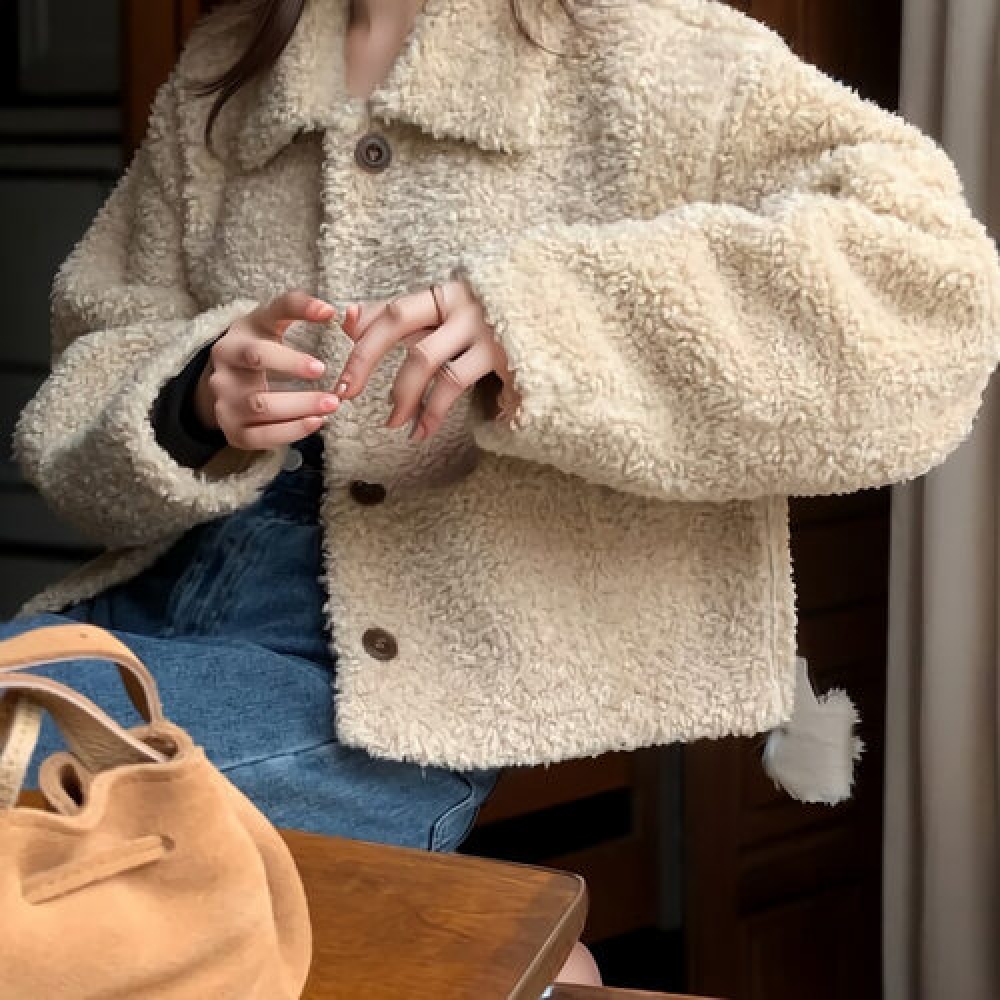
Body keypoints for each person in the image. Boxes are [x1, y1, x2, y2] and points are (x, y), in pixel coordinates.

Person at [6, 0, 1000, 988]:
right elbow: (89, 366)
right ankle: (512, 965)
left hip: (386, 685)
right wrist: (191, 396)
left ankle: (498, 956)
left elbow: (933, 295)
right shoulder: (225, 71)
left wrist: (547, 321)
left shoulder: (650, 48)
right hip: (150, 611)